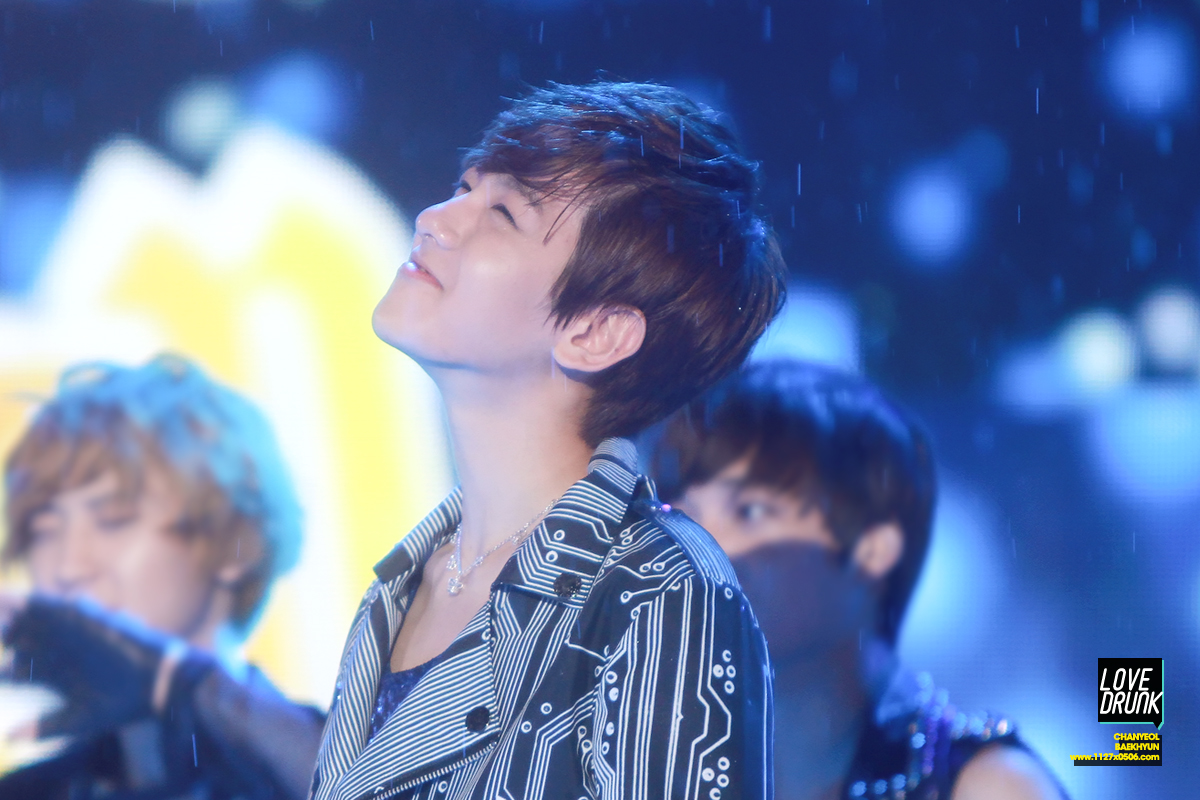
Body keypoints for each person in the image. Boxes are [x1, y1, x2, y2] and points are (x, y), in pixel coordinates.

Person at [310, 80, 788, 800]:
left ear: (596, 332)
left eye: (502, 214)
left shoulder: (659, 593)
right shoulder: (405, 583)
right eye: (463, 187)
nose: (435, 219)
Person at [646, 359, 1066, 800]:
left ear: (872, 551)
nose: (699, 548)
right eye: (683, 516)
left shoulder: (986, 787)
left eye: (750, 512)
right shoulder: (637, 765)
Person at [0, 354, 324, 800]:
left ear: (237, 543)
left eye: (114, 519)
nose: (68, 567)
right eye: (44, 531)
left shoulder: (357, 756)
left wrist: (183, 684)